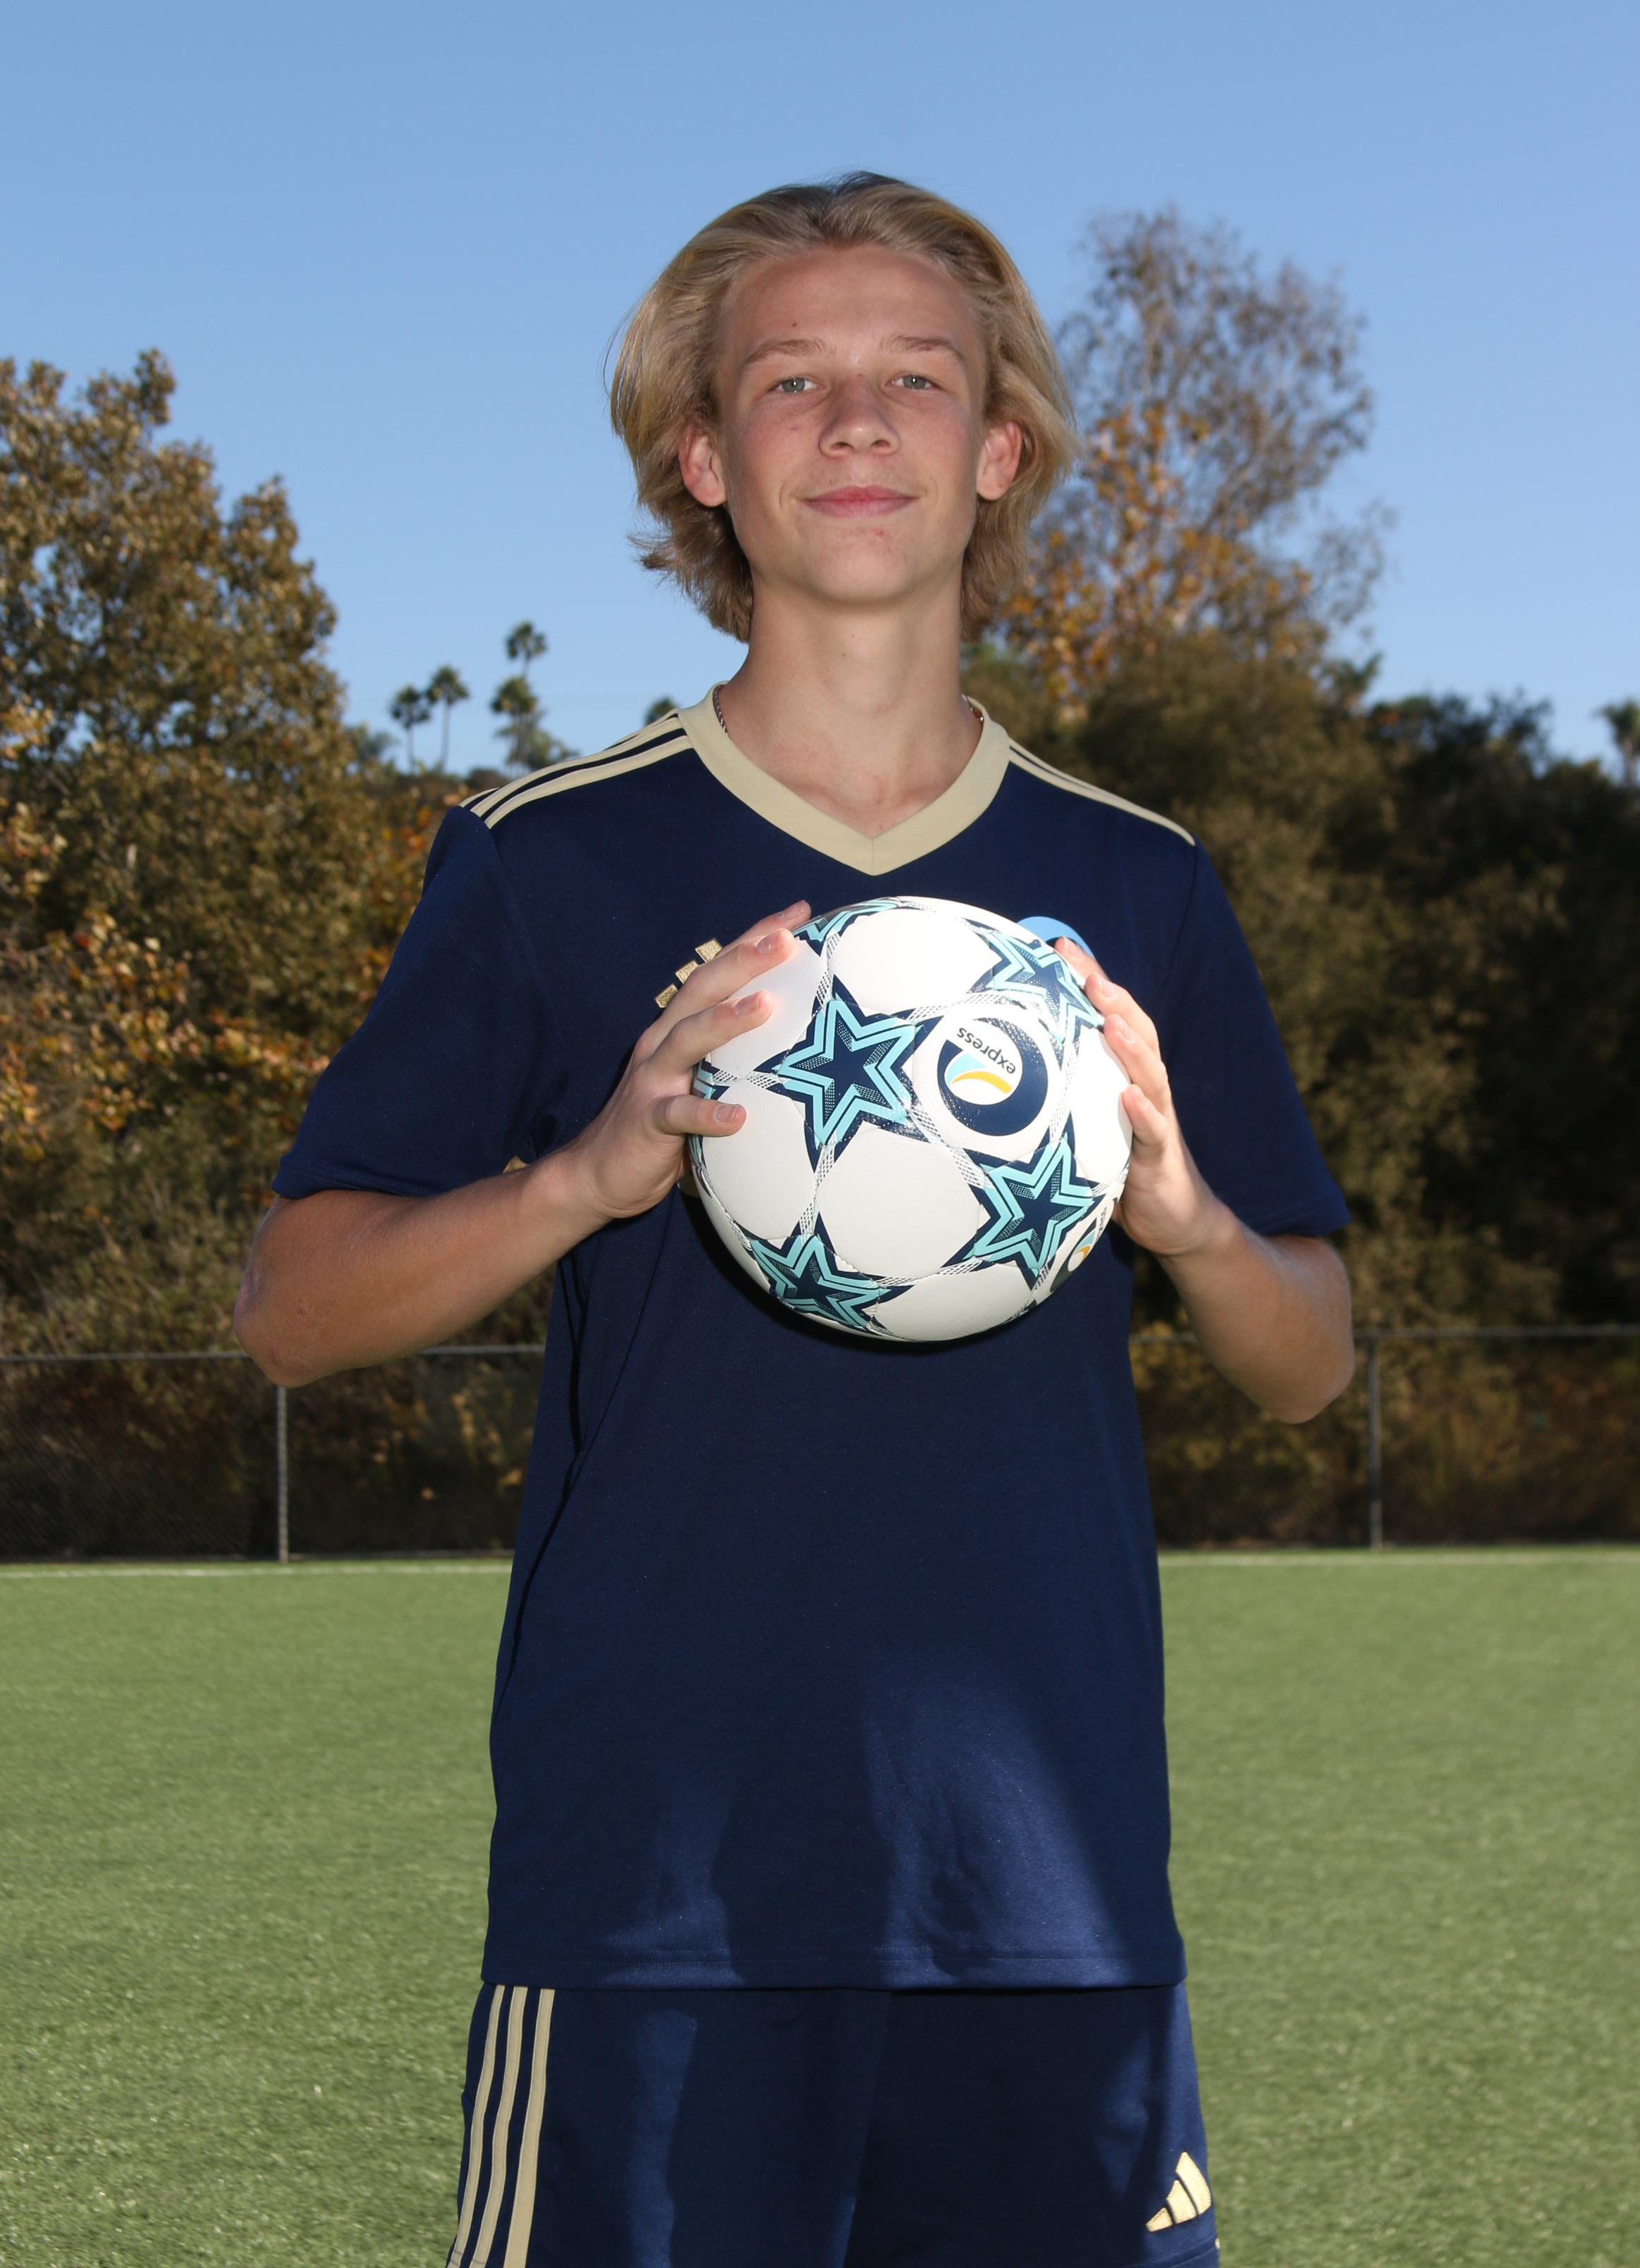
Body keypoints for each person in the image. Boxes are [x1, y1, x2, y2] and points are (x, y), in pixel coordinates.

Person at [234, 173, 1353, 2268]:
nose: (857, 422)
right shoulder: (544, 861)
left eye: (916, 378)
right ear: (701, 457)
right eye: (790, 382)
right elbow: (291, 1308)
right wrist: (583, 1177)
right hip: (654, 1902)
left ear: (997, 450)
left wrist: (1190, 1216)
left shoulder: (1139, 883)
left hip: (1054, 1902)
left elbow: (1312, 1360)